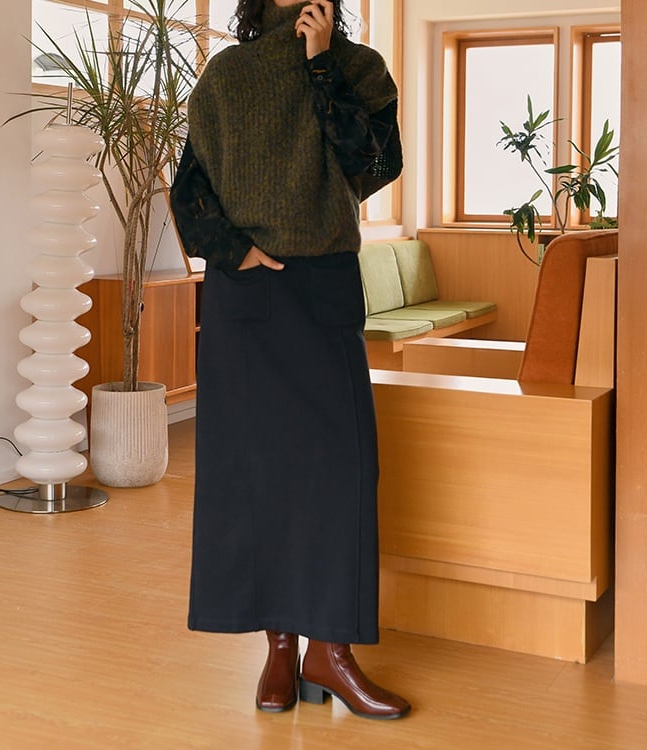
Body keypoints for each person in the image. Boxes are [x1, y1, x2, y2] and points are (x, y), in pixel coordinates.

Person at [170, 0, 408, 720]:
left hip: (325, 285)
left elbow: (374, 165)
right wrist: (235, 251)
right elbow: (189, 188)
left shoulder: (358, 68)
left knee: (342, 471)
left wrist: (322, 65)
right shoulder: (227, 74)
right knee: (255, 473)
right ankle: (279, 647)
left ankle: (330, 653)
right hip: (246, 291)